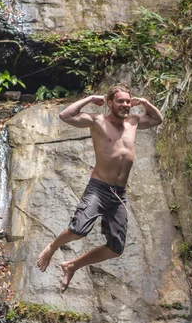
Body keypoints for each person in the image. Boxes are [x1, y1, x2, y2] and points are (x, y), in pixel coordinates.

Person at [37, 85, 163, 292]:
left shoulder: (134, 122)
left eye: (128, 101)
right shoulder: (97, 120)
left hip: (119, 193)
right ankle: (52, 247)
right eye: (120, 101)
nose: (125, 105)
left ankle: (72, 266)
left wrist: (146, 104)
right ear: (110, 103)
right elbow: (65, 115)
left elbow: (158, 119)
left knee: (116, 249)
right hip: (99, 188)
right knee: (78, 229)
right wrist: (89, 98)